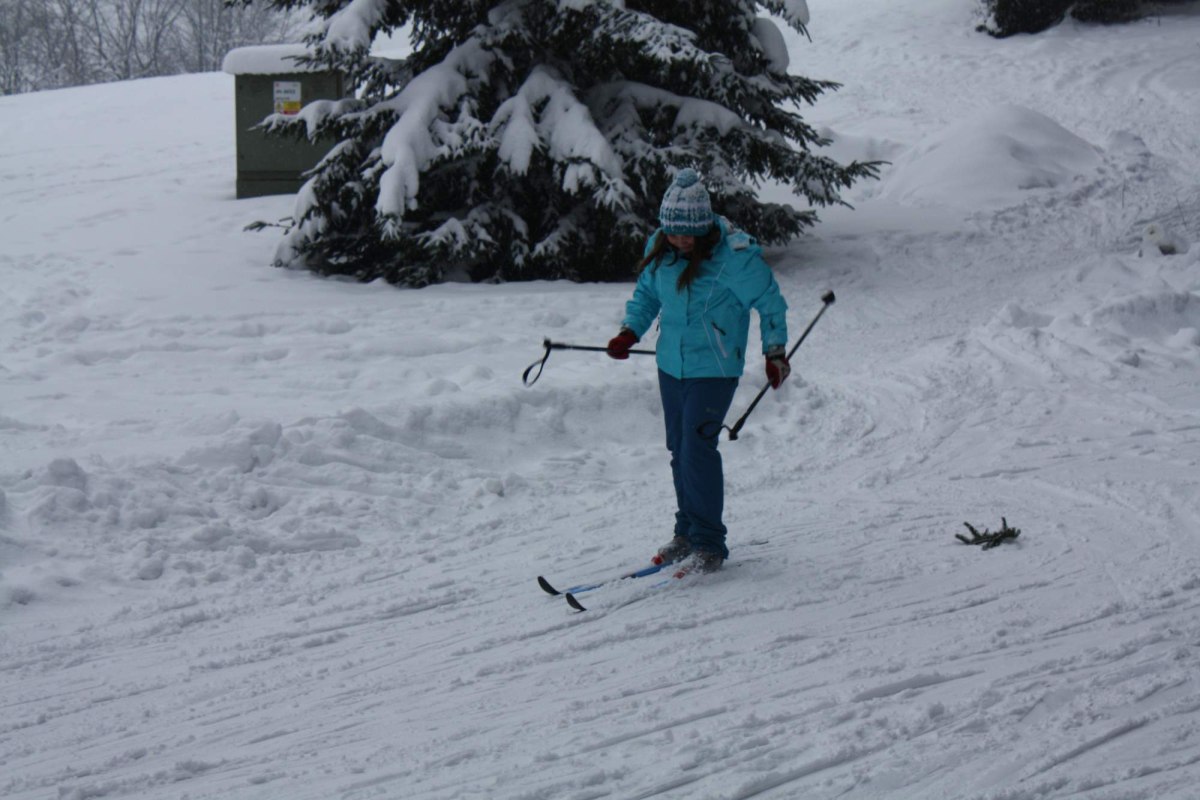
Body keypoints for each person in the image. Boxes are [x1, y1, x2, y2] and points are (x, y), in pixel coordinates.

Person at [606, 168, 791, 573]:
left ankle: (709, 543)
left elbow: (770, 302)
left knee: (697, 448)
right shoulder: (661, 248)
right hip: (671, 365)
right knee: (679, 449)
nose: (680, 239)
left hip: (715, 367)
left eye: (687, 233)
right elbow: (647, 295)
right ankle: (687, 531)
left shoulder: (734, 259)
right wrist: (629, 331)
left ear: (704, 226)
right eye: (673, 232)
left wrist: (775, 351)